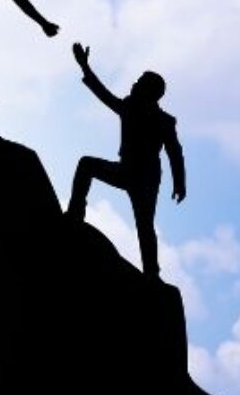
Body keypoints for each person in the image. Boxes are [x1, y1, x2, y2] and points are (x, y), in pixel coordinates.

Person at [68, 43, 185, 280]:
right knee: (87, 165)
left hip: (146, 177)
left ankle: (152, 272)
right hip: (128, 170)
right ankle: (75, 213)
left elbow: (175, 153)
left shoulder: (162, 120)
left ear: (148, 91)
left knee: (145, 224)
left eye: (140, 82)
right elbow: (104, 95)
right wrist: (85, 67)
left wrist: (180, 183)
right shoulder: (130, 107)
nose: (134, 83)